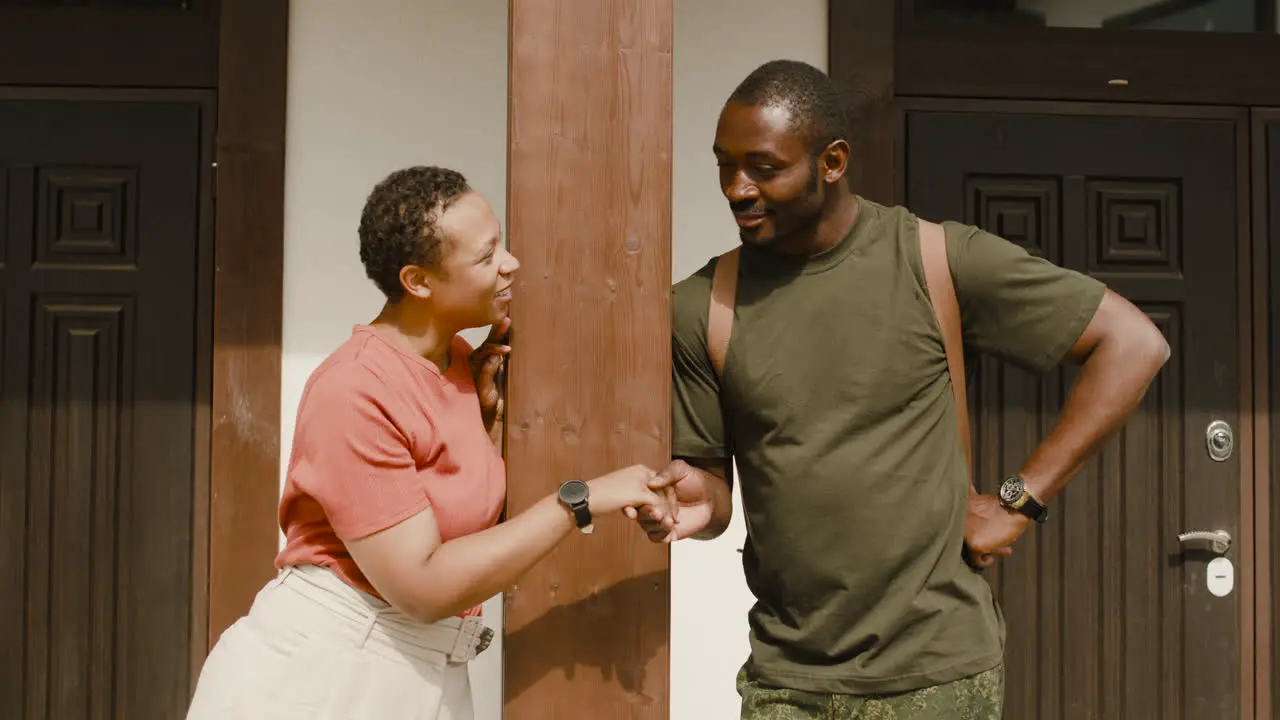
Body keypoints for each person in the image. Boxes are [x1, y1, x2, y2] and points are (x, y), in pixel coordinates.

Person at [634, 60, 1170, 718]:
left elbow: (1134, 344)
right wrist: (698, 500)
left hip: (939, 680)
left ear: (832, 162)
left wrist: (1017, 500)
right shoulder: (702, 307)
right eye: (724, 165)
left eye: (764, 167)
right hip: (786, 683)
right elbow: (714, 495)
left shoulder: (935, 261)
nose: (737, 189)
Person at [186, 166, 672, 720]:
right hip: (326, 675)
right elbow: (422, 585)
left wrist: (487, 429)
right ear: (418, 282)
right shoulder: (354, 389)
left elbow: (454, 525)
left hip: (421, 673)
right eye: (487, 256)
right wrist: (577, 501)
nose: (510, 263)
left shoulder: (462, 363)